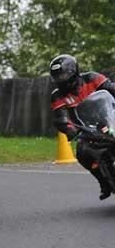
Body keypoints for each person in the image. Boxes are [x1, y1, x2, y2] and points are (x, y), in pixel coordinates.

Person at [49, 54, 115, 200]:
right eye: (57, 77)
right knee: (82, 153)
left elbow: (111, 88)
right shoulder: (57, 96)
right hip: (86, 129)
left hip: (110, 118)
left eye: (63, 75)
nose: (61, 79)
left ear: (73, 71)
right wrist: (71, 130)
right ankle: (104, 182)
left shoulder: (92, 78)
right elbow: (61, 118)